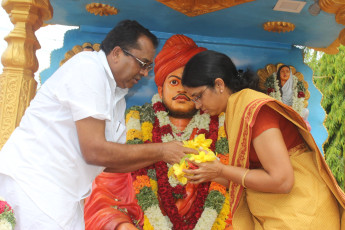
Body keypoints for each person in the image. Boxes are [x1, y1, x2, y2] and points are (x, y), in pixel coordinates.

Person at [0, 20, 195, 230]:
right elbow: (94, 151)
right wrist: (163, 150)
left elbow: (111, 162)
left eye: (149, 67)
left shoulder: (118, 97)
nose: (145, 73)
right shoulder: (89, 67)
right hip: (35, 187)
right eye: (142, 63)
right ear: (117, 53)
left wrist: (164, 156)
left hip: (65, 197)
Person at [181, 50, 345, 229]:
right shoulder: (236, 112)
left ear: (219, 84)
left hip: (303, 215)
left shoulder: (254, 111)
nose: (197, 105)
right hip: (289, 213)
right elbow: (247, 178)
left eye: (197, 96)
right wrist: (208, 171)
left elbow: (282, 181)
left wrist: (221, 169)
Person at [84, 35, 232, 230]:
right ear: (160, 90)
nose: (181, 89)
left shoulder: (223, 128)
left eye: (189, 85)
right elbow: (106, 190)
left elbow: (243, 183)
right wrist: (121, 226)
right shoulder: (136, 126)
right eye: (174, 82)